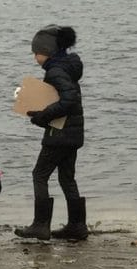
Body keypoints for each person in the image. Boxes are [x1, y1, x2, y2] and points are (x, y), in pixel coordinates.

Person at [15, 23, 87, 242]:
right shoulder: (68, 68)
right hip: (74, 134)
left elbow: (67, 100)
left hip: (59, 134)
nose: (34, 57)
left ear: (46, 52)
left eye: (35, 53)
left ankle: (40, 225)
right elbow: (67, 99)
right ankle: (77, 225)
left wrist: (42, 116)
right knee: (67, 178)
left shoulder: (55, 72)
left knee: (40, 175)